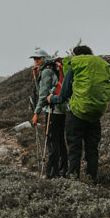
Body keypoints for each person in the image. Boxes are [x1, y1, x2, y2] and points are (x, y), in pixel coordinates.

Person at [54, 44, 103, 182]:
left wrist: (51, 98)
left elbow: (63, 96)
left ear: (75, 55)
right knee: (92, 150)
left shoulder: (73, 70)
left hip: (75, 115)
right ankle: (92, 180)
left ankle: (73, 181)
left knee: (74, 149)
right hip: (94, 115)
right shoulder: (97, 71)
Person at [30, 48, 68, 178]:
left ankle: (52, 174)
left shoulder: (46, 71)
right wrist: (36, 78)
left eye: (38, 58)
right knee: (60, 141)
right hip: (61, 110)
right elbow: (41, 90)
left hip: (52, 110)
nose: (35, 61)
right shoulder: (51, 69)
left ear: (44, 59)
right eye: (34, 58)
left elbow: (42, 95)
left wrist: (36, 113)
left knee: (52, 141)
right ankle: (64, 170)